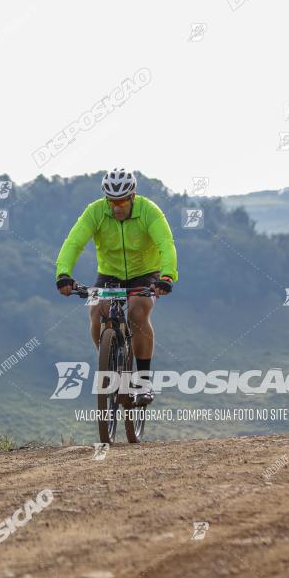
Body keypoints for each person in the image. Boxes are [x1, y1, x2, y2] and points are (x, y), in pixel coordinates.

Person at [55, 168, 178, 406]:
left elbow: (166, 244)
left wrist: (167, 277)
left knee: (137, 311)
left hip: (145, 274)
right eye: (111, 202)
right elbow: (74, 243)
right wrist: (63, 273)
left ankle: (143, 381)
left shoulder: (149, 211)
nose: (116, 207)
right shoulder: (95, 212)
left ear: (132, 196)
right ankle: (110, 358)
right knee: (95, 310)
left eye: (121, 201)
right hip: (109, 275)